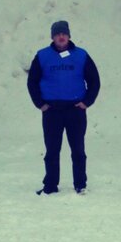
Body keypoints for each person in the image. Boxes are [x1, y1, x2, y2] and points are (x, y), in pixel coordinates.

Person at [27, 20, 101, 195]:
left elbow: (94, 81)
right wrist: (40, 103)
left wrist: (87, 102)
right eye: (58, 34)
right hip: (52, 111)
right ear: (53, 37)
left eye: (64, 33)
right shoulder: (42, 56)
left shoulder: (81, 55)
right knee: (52, 150)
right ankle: (50, 185)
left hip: (75, 110)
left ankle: (80, 184)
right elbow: (32, 82)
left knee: (78, 149)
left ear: (68, 36)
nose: (61, 36)